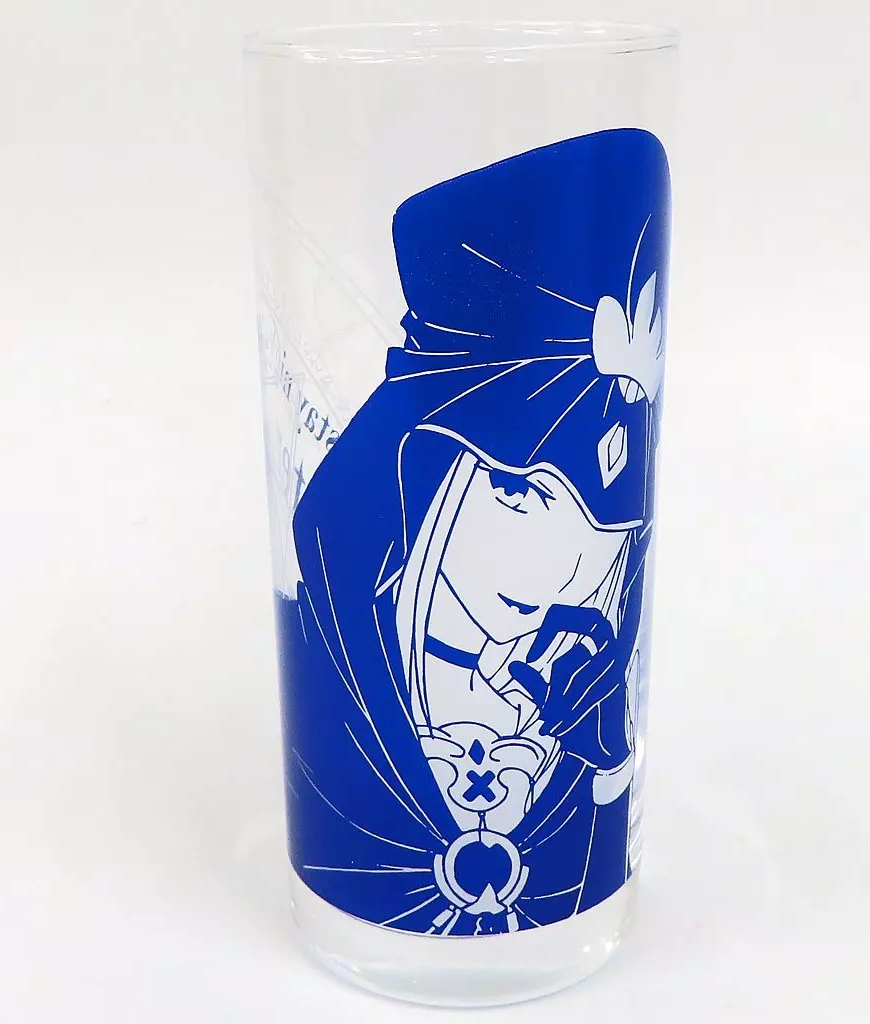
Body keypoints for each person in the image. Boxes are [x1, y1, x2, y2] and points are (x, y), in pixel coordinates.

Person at [275, 128, 671, 935]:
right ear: (421, 478)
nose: (563, 568)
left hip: (580, 944)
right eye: (520, 491)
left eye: (604, 521)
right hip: (343, 936)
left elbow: (580, 878)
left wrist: (608, 766)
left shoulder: (585, 687)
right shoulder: (325, 657)